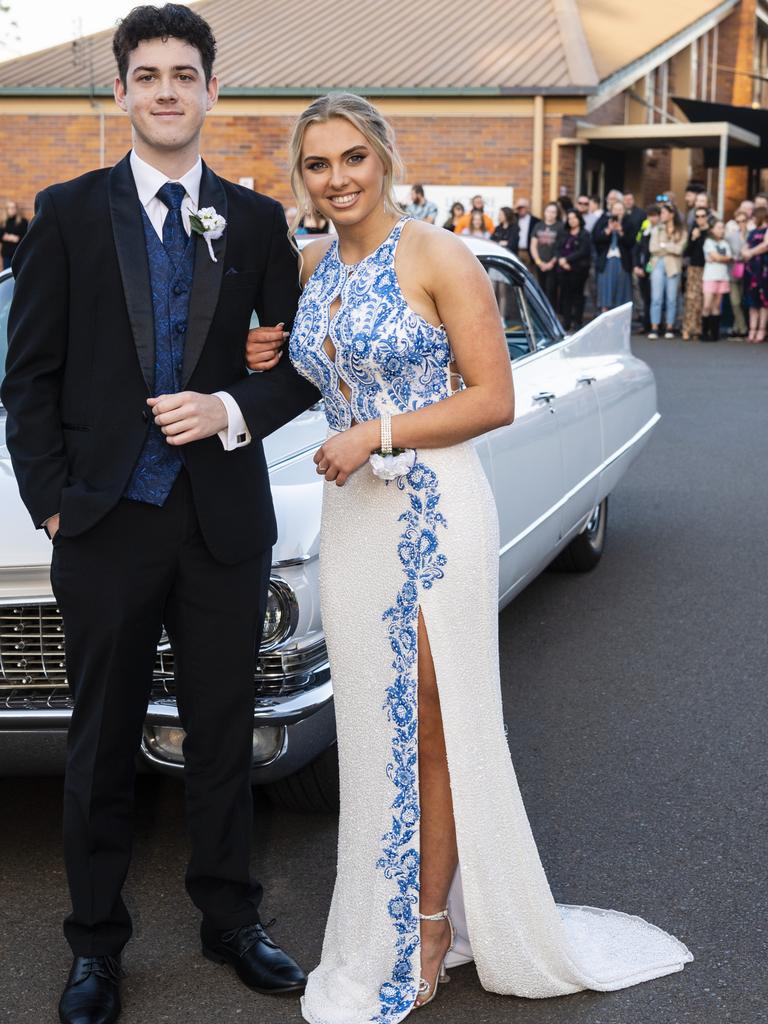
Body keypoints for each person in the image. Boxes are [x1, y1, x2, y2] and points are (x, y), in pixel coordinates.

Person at [246, 89, 691, 1024]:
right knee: (376, 726)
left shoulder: (440, 254)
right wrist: (264, 357)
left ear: (384, 157)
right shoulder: (312, 265)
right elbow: (305, 372)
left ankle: (432, 924)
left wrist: (378, 433)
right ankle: (382, 921)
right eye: (319, 164)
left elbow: (493, 398)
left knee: (434, 723)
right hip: (354, 523)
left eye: (352, 159)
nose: (337, 180)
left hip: (433, 512)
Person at [0, 7, 319, 1023]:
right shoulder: (65, 212)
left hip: (223, 525)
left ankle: (232, 920)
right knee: (99, 745)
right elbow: (30, 378)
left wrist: (230, 406)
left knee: (223, 734)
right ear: (124, 93)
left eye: (186, 73)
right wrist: (53, 504)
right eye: (148, 75)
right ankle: (95, 946)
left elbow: (294, 364)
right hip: (104, 526)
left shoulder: (258, 222)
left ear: (213, 92)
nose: (168, 89)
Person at [647, 203, 684, 339]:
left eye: (663, 212)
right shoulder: (657, 229)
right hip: (657, 263)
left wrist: (664, 246)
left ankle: (670, 326)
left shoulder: (680, 230)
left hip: (673, 265)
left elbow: (679, 249)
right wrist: (670, 247)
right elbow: (653, 248)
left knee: (671, 298)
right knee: (656, 297)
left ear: (671, 214)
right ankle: (654, 327)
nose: (661, 215)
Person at [594, 199, 634, 312]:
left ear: (624, 211)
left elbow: (631, 243)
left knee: (621, 290)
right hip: (606, 261)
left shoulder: (628, 224)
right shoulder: (603, 222)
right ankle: (604, 314)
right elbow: (596, 239)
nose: (618, 212)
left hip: (622, 262)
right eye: (615, 209)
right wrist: (608, 230)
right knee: (606, 289)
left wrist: (621, 231)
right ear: (611, 211)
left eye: (620, 209)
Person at [555, 208, 591, 330]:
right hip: (564, 269)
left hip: (578, 270)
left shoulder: (585, 234)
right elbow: (557, 248)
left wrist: (567, 260)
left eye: (574, 218)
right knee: (565, 296)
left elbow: (583, 251)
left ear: (579, 219)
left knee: (578, 296)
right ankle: (566, 322)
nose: (572, 221)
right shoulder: (564, 232)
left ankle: (577, 322)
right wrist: (561, 259)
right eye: (569, 218)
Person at [682, 207, 712, 340]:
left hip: (708, 269)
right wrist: (694, 238)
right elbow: (687, 252)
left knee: (703, 300)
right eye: (697, 216)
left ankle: (699, 329)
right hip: (694, 268)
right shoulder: (694, 231)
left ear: (707, 217)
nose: (700, 219)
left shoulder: (711, 232)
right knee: (691, 299)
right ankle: (688, 328)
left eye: (702, 216)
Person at [701, 220, 732, 341]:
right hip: (710, 277)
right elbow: (715, 256)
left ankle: (714, 333)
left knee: (717, 306)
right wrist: (721, 258)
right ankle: (704, 332)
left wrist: (720, 258)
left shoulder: (725, 243)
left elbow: (729, 257)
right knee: (707, 305)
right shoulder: (708, 242)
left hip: (722, 276)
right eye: (719, 227)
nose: (721, 230)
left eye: (722, 228)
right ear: (712, 229)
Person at [530, 202, 564, 307]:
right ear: (544, 212)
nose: (550, 214)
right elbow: (533, 246)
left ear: (556, 214)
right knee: (539, 291)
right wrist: (539, 262)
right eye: (548, 211)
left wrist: (550, 263)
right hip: (539, 264)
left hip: (553, 265)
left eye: (553, 212)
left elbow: (560, 248)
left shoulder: (560, 227)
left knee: (551, 292)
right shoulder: (538, 225)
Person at [742, 206, 768, 342]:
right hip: (751, 269)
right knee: (753, 302)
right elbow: (745, 245)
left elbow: (766, 245)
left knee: (763, 301)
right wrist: (745, 252)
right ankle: (752, 329)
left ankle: (761, 330)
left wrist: (751, 252)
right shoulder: (752, 232)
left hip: (763, 269)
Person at [633, 204, 660, 334]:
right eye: (650, 216)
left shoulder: (659, 231)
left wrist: (646, 269)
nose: (652, 219)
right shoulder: (645, 230)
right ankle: (646, 324)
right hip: (642, 269)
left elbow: (652, 255)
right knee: (645, 298)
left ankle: (653, 324)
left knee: (653, 298)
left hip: (651, 268)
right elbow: (637, 249)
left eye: (654, 216)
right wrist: (636, 266)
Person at [725, 207, 749, 337]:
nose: (742, 223)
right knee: (735, 302)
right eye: (739, 221)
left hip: (748, 272)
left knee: (743, 301)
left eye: (744, 220)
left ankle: (737, 328)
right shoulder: (730, 236)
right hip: (734, 271)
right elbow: (726, 251)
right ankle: (742, 328)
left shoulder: (751, 234)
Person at [1, 199, 28, 268]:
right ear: (6, 209)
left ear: (16, 209)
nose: (11, 210)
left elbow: (26, 236)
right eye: (9, 208)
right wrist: (10, 237)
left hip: (19, 253)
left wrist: (12, 237)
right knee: (7, 274)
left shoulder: (23, 222)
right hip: (6, 254)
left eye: (13, 207)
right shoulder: (3, 222)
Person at [514, 196, 539, 268]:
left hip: (529, 253)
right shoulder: (513, 219)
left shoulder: (535, 221)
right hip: (515, 251)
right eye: (518, 208)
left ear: (528, 208)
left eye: (522, 207)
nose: (520, 210)